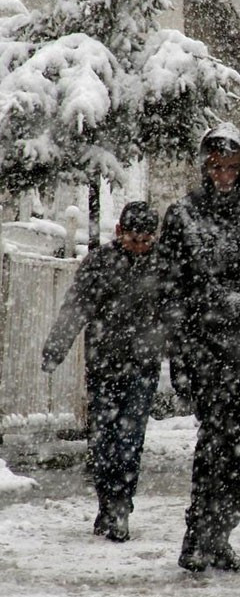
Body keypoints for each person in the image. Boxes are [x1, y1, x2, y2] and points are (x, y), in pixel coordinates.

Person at [159, 122, 240, 572]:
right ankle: (196, 534)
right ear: (204, 166)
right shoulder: (183, 217)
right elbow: (171, 290)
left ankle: (221, 535)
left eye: (232, 167)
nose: (224, 176)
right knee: (214, 443)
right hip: (208, 350)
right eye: (216, 167)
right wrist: (179, 354)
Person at [41, 201, 162, 543]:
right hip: (105, 364)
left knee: (130, 439)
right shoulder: (100, 263)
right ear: (120, 232)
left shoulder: (162, 266)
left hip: (143, 365)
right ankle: (107, 501)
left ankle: (121, 504)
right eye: (134, 238)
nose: (140, 246)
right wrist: (56, 347)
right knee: (104, 439)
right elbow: (76, 307)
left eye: (146, 240)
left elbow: (176, 315)